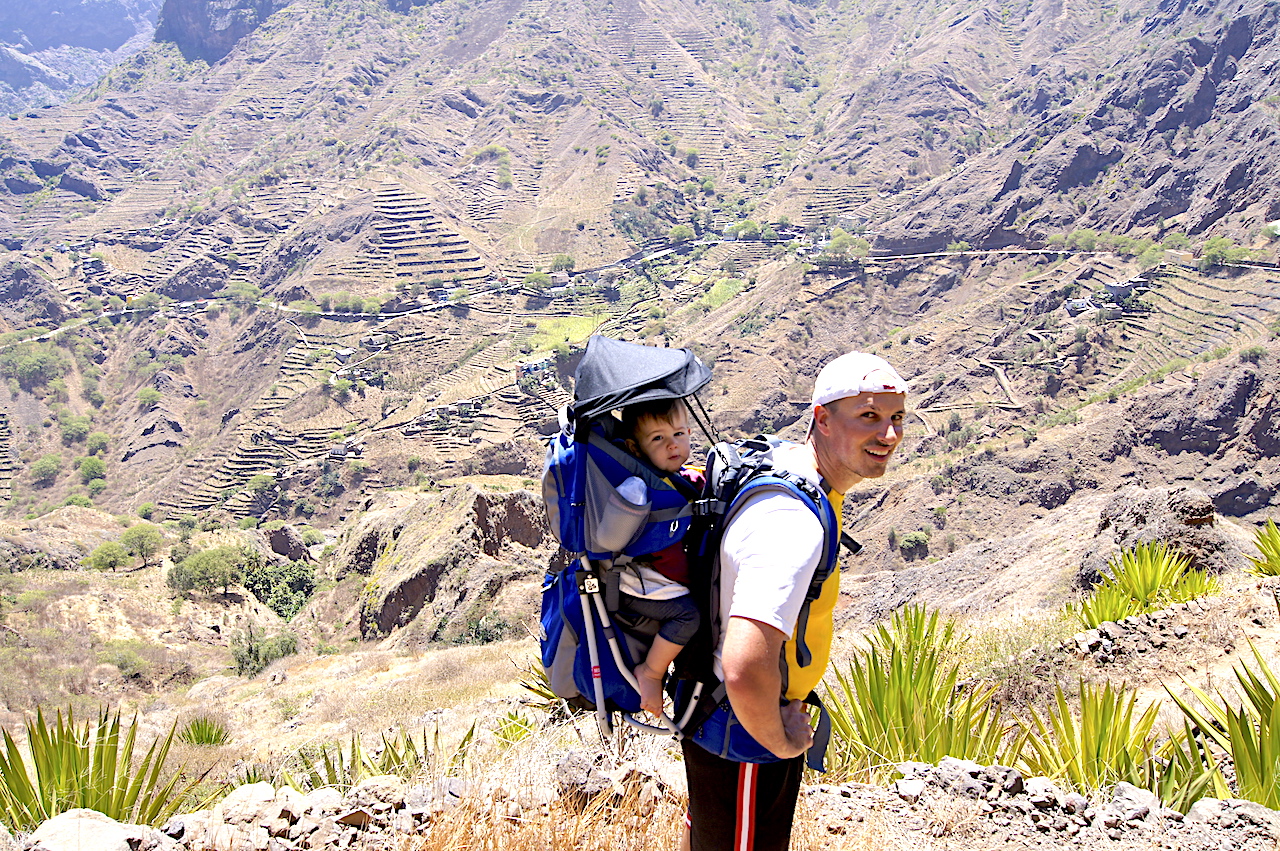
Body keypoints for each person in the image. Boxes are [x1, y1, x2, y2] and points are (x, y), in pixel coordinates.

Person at [681, 351, 909, 851]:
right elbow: (744, 663)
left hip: (731, 721)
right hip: (744, 735)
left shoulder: (793, 470)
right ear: (822, 419)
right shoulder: (792, 521)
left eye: (896, 418)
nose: (888, 435)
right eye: (869, 416)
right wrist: (779, 742)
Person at [615, 397, 702, 716]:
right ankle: (651, 673)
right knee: (689, 615)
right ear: (634, 448)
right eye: (658, 438)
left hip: (657, 579)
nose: (672, 445)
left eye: (679, 434)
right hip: (640, 587)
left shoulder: (676, 477)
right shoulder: (642, 489)